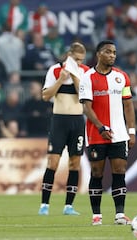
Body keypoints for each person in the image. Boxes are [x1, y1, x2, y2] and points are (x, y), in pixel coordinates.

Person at [79, 40, 136, 225]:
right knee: (97, 173)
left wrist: (132, 131)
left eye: (114, 52)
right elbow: (86, 108)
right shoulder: (87, 77)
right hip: (96, 134)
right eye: (108, 52)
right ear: (98, 54)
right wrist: (100, 127)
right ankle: (97, 215)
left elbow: (128, 105)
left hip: (119, 134)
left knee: (119, 172)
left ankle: (120, 214)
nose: (112, 55)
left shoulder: (122, 77)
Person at [38, 42, 89, 216]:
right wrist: (61, 79)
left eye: (81, 60)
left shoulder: (84, 72)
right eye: (76, 59)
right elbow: (45, 96)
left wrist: (74, 75)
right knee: (53, 161)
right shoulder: (54, 70)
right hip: (59, 121)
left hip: (77, 122)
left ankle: (69, 206)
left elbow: (83, 95)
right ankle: (44, 204)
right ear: (69, 55)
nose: (79, 63)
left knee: (74, 163)